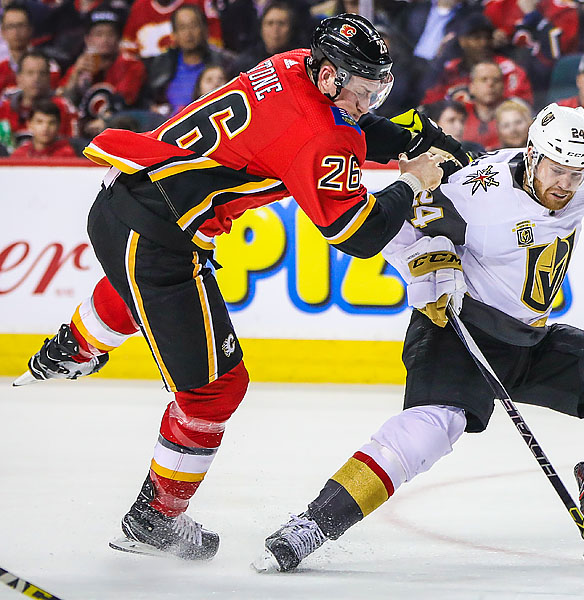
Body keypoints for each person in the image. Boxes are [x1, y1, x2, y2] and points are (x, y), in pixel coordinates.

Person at [13, 13, 470, 563]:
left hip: (138, 206)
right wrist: (412, 178)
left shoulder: (290, 66)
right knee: (215, 390)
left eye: (379, 89)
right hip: (157, 236)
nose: (370, 100)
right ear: (328, 78)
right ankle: (154, 519)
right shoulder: (318, 133)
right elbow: (358, 234)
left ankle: (75, 346)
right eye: (364, 89)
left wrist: (418, 140)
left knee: (148, 299)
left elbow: (356, 126)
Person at [252, 103, 584, 573]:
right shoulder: (477, 189)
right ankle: (313, 523)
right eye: (557, 169)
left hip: (527, 340)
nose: (565, 183)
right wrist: (427, 256)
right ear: (534, 155)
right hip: (457, 328)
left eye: (576, 173)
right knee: (432, 428)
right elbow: (397, 227)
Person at [144, 4, 234, 116]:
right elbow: (150, 100)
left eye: (194, 25)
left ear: (205, 29)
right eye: (182, 27)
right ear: (174, 35)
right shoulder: (161, 64)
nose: (188, 33)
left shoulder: (225, 62)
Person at [58, 8, 146, 108]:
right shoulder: (81, 65)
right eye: (99, 34)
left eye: (110, 34)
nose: (105, 39)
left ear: (119, 39)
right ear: (87, 39)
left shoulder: (132, 65)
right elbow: (63, 102)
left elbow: (124, 100)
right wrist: (75, 75)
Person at [9, 98, 78, 157]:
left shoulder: (66, 154)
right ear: (29, 124)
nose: (45, 128)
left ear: (59, 126)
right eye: (39, 122)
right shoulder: (20, 154)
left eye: (51, 123)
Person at [461, 60, 505, 150]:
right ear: (472, 87)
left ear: (503, 86)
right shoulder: (459, 114)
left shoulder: (516, 113)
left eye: (496, 80)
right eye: (484, 79)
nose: (490, 84)